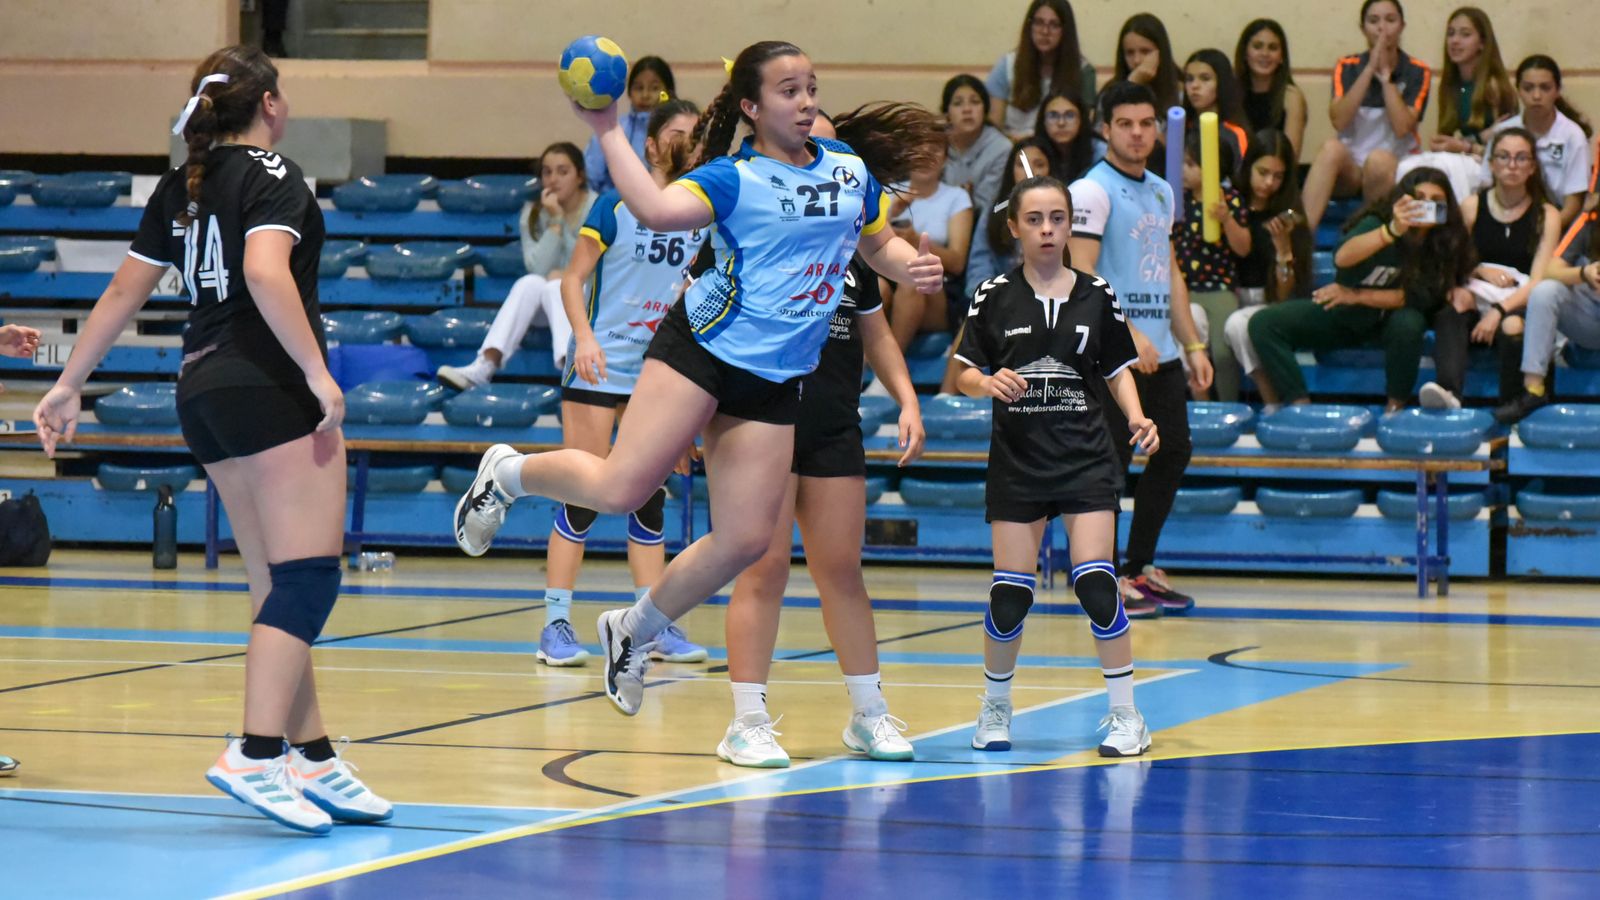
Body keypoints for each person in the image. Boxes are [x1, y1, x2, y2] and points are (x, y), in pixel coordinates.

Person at [453, 41, 945, 718]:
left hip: (776, 376)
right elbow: (654, 212)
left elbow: (873, 243)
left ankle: (634, 628)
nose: (805, 103)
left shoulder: (846, 169)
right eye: (787, 92)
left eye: (811, 89)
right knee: (623, 488)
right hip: (705, 348)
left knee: (744, 540)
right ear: (750, 106)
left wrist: (908, 268)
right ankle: (507, 474)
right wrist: (603, 127)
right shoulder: (731, 178)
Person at [32, 46, 390, 834]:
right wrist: (318, 375)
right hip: (266, 385)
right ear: (266, 104)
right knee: (309, 581)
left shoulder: (182, 185)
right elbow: (267, 274)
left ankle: (314, 756)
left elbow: (125, 290)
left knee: (275, 583)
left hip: (201, 391)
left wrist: (67, 385)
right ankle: (256, 753)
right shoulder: (275, 172)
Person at [720, 115, 927, 765]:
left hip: (834, 421)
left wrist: (908, 398)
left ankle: (869, 714)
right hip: (761, 415)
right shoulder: (752, 229)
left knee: (842, 570)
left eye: (831, 143)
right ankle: (746, 722)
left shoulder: (854, 247)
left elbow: (878, 335)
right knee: (766, 568)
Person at [956, 175, 1160, 757]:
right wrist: (985, 381)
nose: (1047, 230)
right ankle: (996, 706)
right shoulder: (992, 294)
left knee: (1096, 582)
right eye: (1035, 220)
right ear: (1015, 227)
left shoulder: (1098, 293)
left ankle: (1127, 716)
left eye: (1057, 219)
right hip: (1018, 461)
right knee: (1010, 594)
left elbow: (1119, 369)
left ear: (1070, 225)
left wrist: (1138, 418)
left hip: (1085, 459)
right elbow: (965, 371)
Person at [531, 99, 710, 667]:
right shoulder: (613, 207)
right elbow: (572, 279)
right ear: (653, 146)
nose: (688, 146)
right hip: (600, 363)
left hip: (659, 370)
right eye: (677, 136)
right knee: (583, 495)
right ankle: (556, 624)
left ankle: (649, 625)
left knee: (648, 501)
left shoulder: (704, 215)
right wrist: (583, 338)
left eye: (696, 137)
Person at [1069, 80, 1212, 615]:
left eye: (1146, 123)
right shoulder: (1091, 190)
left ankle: (1138, 567)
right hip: (1111, 354)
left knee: (1173, 450)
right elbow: (1080, 273)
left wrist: (1192, 340)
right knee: (1109, 465)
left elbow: (1168, 268)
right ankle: (1102, 577)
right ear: (1105, 128)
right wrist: (1127, 332)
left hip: (1163, 351)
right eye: (1125, 124)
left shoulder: (1160, 189)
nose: (1137, 133)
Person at [1249, 167, 1475, 412]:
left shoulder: (1446, 242)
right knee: (1263, 323)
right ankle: (1299, 404)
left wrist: (1356, 295)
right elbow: (1342, 258)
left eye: (1436, 201)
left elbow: (1415, 297)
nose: (1426, 206)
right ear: (1403, 199)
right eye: (1419, 198)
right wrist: (1391, 232)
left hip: (1392, 321)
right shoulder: (1378, 220)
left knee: (1409, 322)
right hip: (1347, 315)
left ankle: (1395, 407)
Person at [1419, 128, 1561, 410]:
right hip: (1477, 296)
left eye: (1521, 159)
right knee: (1453, 305)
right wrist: (1477, 270)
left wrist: (1499, 311)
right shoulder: (1472, 206)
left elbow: (1539, 281)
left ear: (1532, 167)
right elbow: (1450, 259)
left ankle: (1512, 407)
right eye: (1504, 157)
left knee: (1513, 326)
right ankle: (1449, 394)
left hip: (1519, 301)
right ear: (1492, 164)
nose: (1512, 165)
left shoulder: (1547, 215)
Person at [436, 143, 598, 390]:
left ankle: (573, 369)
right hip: (550, 299)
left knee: (556, 285)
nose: (553, 179)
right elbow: (537, 267)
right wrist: (555, 222)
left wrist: (569, 276)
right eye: (547, 172)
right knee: (529, 282)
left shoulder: (598, 208)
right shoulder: (533, 212)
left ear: (580, 175)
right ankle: (485, 366)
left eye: (562, 172)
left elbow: (600, 264)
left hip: (590, 297)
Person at [1302, 0, 1431, 233]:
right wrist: (1369, 69)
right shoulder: (1347, 66)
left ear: (1402, 26)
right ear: (1363, 28)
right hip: (1353, 168)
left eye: (1390, 20)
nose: (1382, 28)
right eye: (1374, 21)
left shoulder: (1417, 71)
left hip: (1394, 165)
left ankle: (1371, 240)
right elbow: (1339, 120)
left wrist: (1385, 78)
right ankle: (1300, 238)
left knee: (1378, 162)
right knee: (1330, 148)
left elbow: (1403, 127)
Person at [1222, 130, 1313, 404]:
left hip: (1269, 303)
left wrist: (1283, 248)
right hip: (1229, 296)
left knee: (1239, 325)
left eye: (1278, 176)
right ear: (1248, 165)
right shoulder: (1229, 203)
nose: (1269, 182)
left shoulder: (1290, 216)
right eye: (1263, 172)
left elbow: (1285, 296)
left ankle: (1271, 401)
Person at [1394, 7, 1516, 200]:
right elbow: (1453, 136)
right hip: (1461, 158)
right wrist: (1443, 143)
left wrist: (1465, 146)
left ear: (1482, 43)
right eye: (1451, 34)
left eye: (1465, 34)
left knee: (1446, 170)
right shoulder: (1450, 85)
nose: (1455, 41)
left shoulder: (1493, 86)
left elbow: (1506, 151)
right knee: (1407, 167)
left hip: (1487, 165)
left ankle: (1454, 228)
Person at [1494, 206, 1600, 423]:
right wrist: (1584, 273)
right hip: (1589, 317)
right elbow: (1551, 270)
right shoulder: (1590, 219)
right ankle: (1534, 389)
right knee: (1546, 290)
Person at [1173, 130, 1251, 402]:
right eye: (1182, 163)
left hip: (1219, 287)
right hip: (1185, 288)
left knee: (1222, 351)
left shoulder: (1229, 199)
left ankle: (1229, 405)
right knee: (1189, 347)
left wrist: (1226, 218)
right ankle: (1201, 405)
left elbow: (1243, 247)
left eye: (1192, 164)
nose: (1184, 170)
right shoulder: (1177, 200)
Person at [1482, 57, 1593, 228]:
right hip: (1505, 218)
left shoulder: (1573, 136)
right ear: (1518, 90)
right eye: (1528, 88)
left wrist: (1545, 232)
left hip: (1557, 222)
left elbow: (1574, 204)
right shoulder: (1502, 133)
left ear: (1557, 91)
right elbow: (1487, 186)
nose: (1536, 95)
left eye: (1545, 88)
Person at [885, 142, 973, 349]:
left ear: (945, 158)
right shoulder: (887, 193)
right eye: (918, 150)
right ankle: (860, 368)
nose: (925, 157)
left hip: (936, 289)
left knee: (914, 279)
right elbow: (864, 245)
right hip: (889, 278)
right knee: (874, 288)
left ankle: (884, 373)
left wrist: (917, 241)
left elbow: (957, 262)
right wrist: (889, 219)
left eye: (934, 150)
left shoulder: (957, 197)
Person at [986, 0, 1096, 142]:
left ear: (1066, 30)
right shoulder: (1007, 65)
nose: (1045, 32)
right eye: (1039, 23)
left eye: (1054, 25)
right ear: (1029, 26)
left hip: (1061, 151)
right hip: (1014, 150)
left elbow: (1083, 129)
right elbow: (994, 128)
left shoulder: (1083, 71)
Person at [968, 139, 1053, 291]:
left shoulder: (1064, 213)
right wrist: (990, 298)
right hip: (1000, 301)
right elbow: (979, 265)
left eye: (1039, 165)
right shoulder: (995, 211)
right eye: (1022, 165)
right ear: (1011, 170)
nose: (1030, 172)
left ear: (1051, 170)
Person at [583, 56, 676, 195]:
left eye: (654, 88)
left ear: (668, 92)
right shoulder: (612, 129)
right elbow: (591, 178)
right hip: (615, 207)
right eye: (638, 88)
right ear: (629, 93)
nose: (645, 95)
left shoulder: (678, 130)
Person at [942, 74, 1013, 223]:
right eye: (958, 103)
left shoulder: (1001, 149)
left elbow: (990, 206)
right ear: (947, 113)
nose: (967, 109)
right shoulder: (935, 145)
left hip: (984, 225)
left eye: (975, 102)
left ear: (985, 109)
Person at [1234, 19, 1308, 155]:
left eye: (1272, 48)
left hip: (1275, 173)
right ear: (1245, 52)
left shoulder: (1291, 96)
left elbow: (1291, 156)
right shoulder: (1232, 91)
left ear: (1281, 57)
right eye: (1257, 46)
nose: (1265, 54)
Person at [1184, 48, 1252, 161]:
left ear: (1221, 83)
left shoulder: (1234, 134)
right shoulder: (1181, 127)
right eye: (1189, 79)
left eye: (1205, 78)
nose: (1194, 86)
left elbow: (1241, 176)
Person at [1112, 14, 1183, 118]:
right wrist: (1131, 84)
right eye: (1130, 53)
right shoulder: (1109, 91)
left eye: (1145, 51)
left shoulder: (1181, 91)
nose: (1137, 60)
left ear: (1161, 52)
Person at [1032, 89, 1102, 185]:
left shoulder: (1100, 151)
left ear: (1081, 119)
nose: (1061, 123)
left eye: (1070, 115)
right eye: (1053, 115)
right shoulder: (1034, 151)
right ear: (1043, 121)